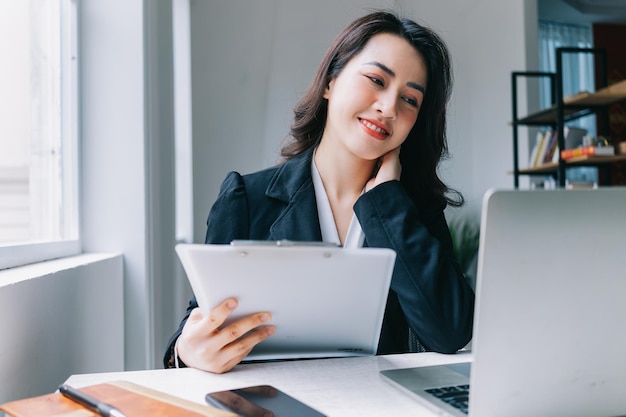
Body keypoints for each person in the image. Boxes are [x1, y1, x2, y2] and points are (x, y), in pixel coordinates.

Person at [164, 10, 475, 374]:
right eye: (376, 79)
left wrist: (388, 204)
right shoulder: (246, 199)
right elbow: (201, 318)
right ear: (330, 81)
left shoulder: (414, 211)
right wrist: (186, 351)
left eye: (410, 100)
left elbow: (450, 331)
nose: (388, 107)